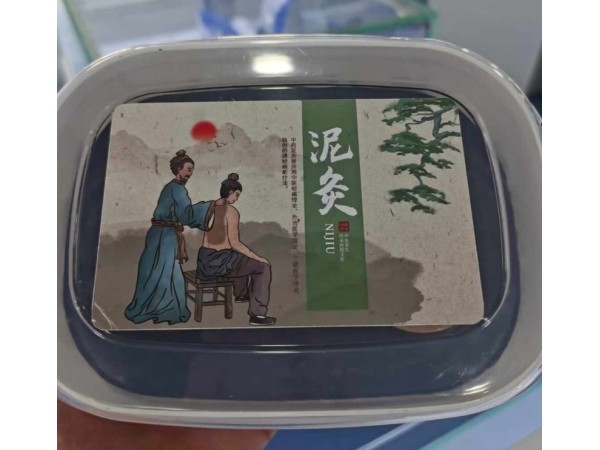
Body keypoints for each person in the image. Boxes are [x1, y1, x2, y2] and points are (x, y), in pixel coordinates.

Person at [124, 150, 215, 325]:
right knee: (166, 271)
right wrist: (210, 205)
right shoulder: (178, 189)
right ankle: (168, 309)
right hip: (165, 236)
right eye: (188, 169)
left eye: (192, 170)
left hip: (157, 234)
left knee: (155, 271)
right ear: (179, 169)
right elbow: (186, 214)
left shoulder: (169, 187)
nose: (190, 174)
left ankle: (149, 306)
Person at [196, 173, 276, 326]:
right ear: (230, 192)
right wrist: (259, 258)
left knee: (238, 259)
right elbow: (235, 243)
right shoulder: (231, 212)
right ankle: (257, 315)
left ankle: (241, 294)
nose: (237, 199)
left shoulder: (210, 208)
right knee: (262, 267)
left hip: (205, 262)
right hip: (220, 262)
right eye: (237, 195)